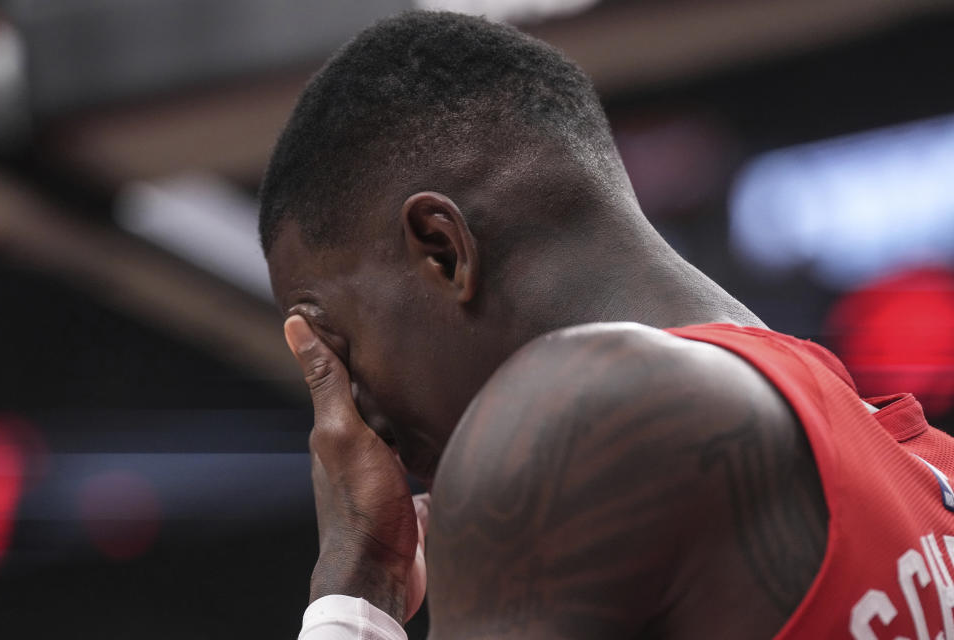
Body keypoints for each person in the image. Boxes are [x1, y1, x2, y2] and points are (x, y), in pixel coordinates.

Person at [259, 11, 954, 640]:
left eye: (334, 346)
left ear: (442, 249)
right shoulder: (930, 470)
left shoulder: (574, 416)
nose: (350, 412)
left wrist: (355, 590)